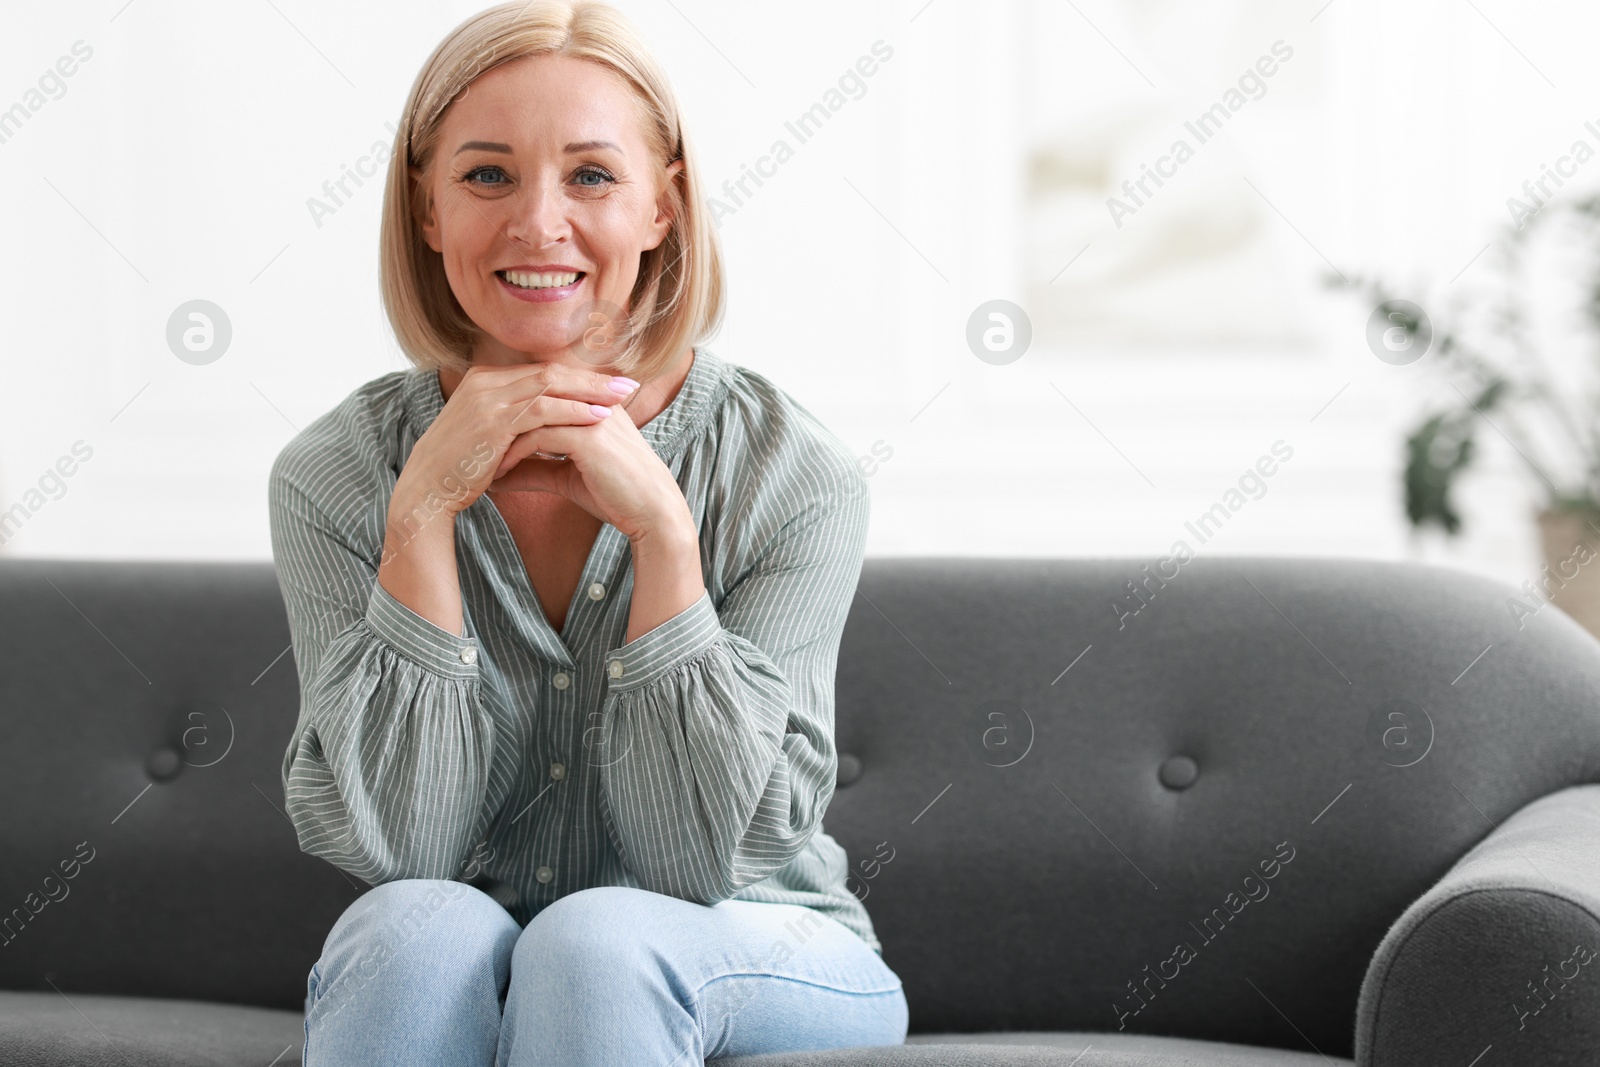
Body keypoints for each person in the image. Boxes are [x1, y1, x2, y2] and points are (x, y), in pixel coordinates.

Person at [266, 2, 908, 1064]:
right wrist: (421, 509)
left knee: (595, 940)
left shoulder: (793, 474)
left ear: (665, 204)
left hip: (759, 937)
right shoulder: (334, 474)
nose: (537, 222)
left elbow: (709, 856)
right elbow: (405, 849)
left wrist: (664, 532)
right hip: (488, 938)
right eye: (486, 176)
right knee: (410, 929)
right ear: (427, 210)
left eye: (593, 176)